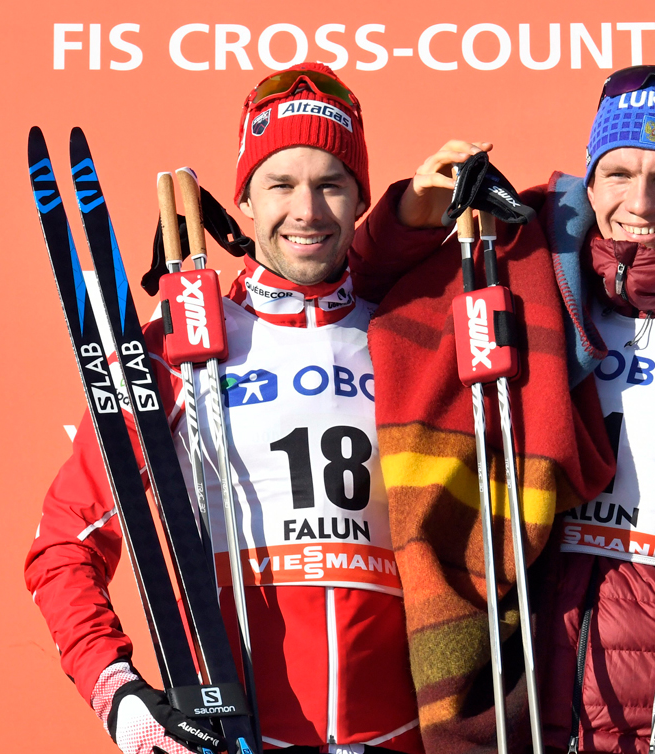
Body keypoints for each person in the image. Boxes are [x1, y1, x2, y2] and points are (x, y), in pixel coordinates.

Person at [350, 52, 655, 754]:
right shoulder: (537, 287)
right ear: (590, 177)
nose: (639, 204)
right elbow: (367, 288)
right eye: (618, 174)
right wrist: (412, 215)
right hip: (533, 703)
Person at [24, 63, 423, 754]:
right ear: (243, 199)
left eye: (331, 184)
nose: (306, 210)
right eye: (280, 185)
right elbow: (64, 542)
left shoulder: (408, 335)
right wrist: (117, 692)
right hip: (239, 732)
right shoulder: (177, 346)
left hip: (401, 737)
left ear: (360, 200)